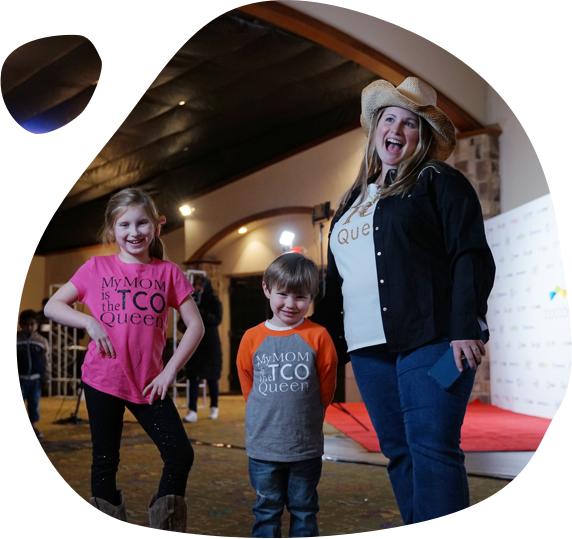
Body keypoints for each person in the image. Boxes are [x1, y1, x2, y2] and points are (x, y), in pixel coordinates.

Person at [312, 77, 496, 525]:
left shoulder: (439, 181)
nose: (396, 129)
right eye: (388, 119)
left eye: (409, 123)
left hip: (432, 339)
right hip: (368, 349)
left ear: (423, 134)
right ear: (375, 128)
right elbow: (336, 281)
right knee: (398, 451)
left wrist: (465, 326)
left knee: (432, 447)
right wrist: (319, 343)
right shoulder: (351, 200)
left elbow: (469, 254)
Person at [44, 187, 204, 531]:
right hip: (102, 378)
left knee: (180, 454)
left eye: (142, 223)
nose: (134, 232)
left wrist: (169, 372)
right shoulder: (96, 267)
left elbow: (196, 326)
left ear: (156, 226)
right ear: (112, 230)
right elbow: (52, 306)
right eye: (125, 225)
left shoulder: (168, 272)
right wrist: (89, 322)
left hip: (149, 382)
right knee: (105, 462)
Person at [237, 252, 338, 539]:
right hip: (263, 447)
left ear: (311, 297)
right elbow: (248, 386)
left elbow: (326, 387)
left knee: (304, 509)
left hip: (304, 446)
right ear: (267, 289)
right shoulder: (252, 337)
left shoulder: (318, 335)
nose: (291, 304)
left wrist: (306, 417)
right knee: (266, 509)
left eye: (300, 297)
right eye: (282, 294)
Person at [179, 275, 223, 422]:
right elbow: (181, 322)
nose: (198, 288)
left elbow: (217, 319)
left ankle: (214, 406)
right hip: (194, 344)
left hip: (210, 344)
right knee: (193, 377)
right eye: (196, 285)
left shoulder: (214, 301)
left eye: (200, 285)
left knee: (212, 378)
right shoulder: (190, 301)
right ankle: (192, 410)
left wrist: (200, 312)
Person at [17, 309, 51, 439]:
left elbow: (46, 361)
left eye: (32, 324)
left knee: (34, 404)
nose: (29, 327)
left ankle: (33, 426)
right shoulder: (17, 340)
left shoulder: (42, 341)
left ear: (37, 325)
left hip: (35, 380)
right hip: (20, 378)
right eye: (26, 324)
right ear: (21, 324)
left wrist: (47, 379)